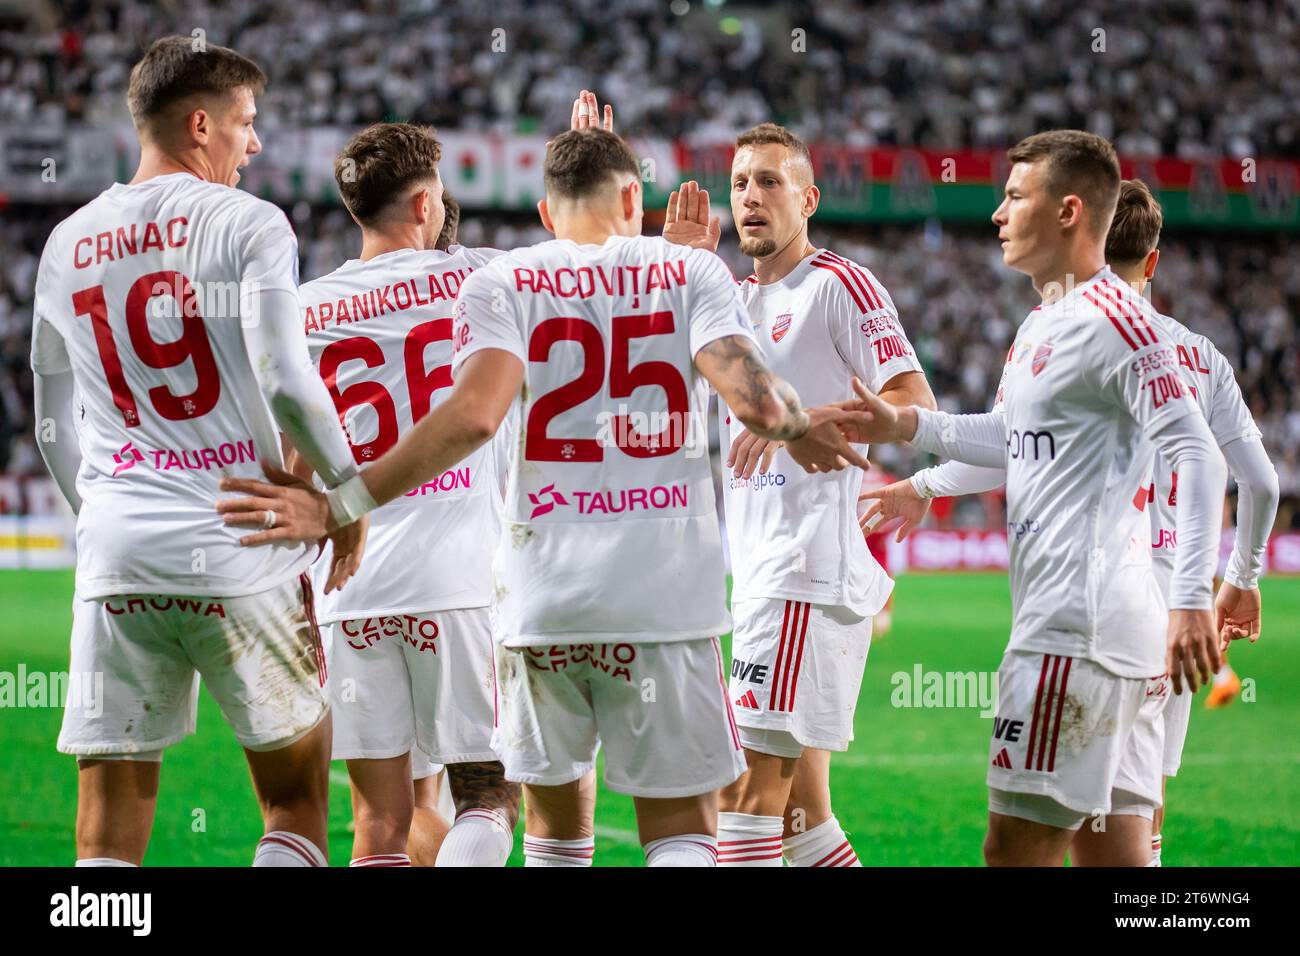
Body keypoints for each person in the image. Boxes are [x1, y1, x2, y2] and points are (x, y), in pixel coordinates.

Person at [216, 123, 872, 865]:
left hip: (531, 603)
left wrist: (341, 505)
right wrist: (794, 422)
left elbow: (467, 416)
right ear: (634, 195)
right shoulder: (683, 273)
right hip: (652, 602)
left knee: (533, 837)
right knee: (674, 830)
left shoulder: (497, 282)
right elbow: (755, 402)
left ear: (545, 211)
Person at [863, 178, 1279, 866]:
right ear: (1152, 261)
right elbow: (1257, 480)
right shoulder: (1197, 353)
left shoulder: (1087, 331)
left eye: (1016, 199)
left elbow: (1022, 447)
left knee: (1020, 848)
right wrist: (1239, 577)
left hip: (1090, 610)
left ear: (1079, 228)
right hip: (1162, 607)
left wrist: (925, 477)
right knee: (1126, 838)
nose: (1000, 215)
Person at [31, 36, 366, 867]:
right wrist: (346, 501)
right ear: (201, 123)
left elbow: (50, 421)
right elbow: (287, 381)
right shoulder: (248, 223)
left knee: (105, 831)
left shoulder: (64, 241)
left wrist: (105, 512)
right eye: (247, 123)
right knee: (292, 805)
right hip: (241, 544)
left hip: (116, 557)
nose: (255, 143)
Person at [662, 123, 935, 866]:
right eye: (741, 182)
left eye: (771, 182)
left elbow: (916, 402)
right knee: (802, 818)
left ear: (808, 198)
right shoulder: (729, 301)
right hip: (759, 572)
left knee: (741, 797)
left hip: (804, 573)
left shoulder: (837, 285)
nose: (751, 196)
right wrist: (684, 278)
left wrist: (801, 420)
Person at [294, 122, 519, 867]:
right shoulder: (479, 277)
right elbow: (582, 262)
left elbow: (289, 456)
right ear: (426, 205)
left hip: (348, 588)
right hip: (457, 582)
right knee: (486, 798)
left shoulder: (304, 309)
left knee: (378, 825)